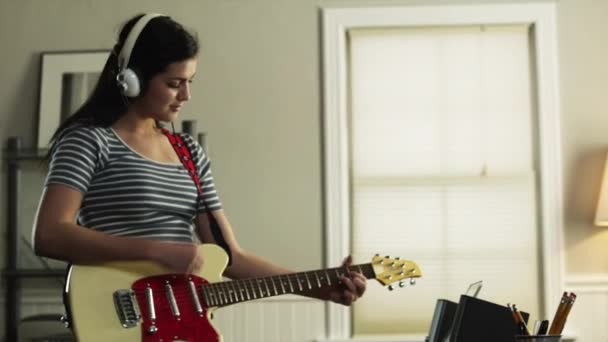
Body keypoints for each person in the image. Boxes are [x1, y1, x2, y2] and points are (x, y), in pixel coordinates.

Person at [31, 13, 366, 309]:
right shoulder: (88, 140)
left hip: (184, 319)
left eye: (190, 82)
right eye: (174, 84)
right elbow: (49, 234)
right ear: (131, 79)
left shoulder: (189, 151)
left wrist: (321, 287)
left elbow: (230, 257)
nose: (185, 96)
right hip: (118, 313)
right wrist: (157, 250)